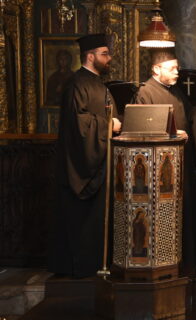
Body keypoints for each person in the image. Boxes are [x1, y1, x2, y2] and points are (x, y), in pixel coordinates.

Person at [135, 48, 196, 274]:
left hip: (182, 162)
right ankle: (166, 262)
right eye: (172, 68)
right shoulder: (145, 92)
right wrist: (172, 135)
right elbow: (142, 130)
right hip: (160, 172)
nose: (177, 72)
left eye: (177, 68)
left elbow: (189, 114)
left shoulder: (175, 91)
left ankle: (187, 261)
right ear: (156, 69)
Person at [48, 33, 121, 278]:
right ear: (90, 56)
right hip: (81, 167)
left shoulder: (99, 84)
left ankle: (97, 265)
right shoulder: (76, 84)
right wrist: (108, 125)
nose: (109, 58)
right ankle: (80, 268)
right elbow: (78, 125)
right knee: (80, 223)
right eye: (104, 54)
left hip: (101, 164)